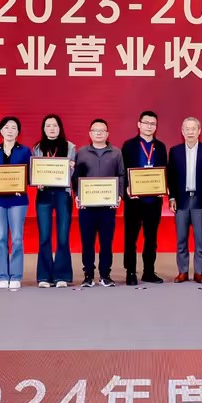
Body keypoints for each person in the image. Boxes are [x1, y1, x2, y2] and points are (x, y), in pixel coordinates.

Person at [74, 118, 125, 287]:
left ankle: (105, 275)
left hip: (107, 206)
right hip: (87, 207)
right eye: (95, 130)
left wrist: (119, 195)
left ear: (107, 133)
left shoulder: (116, 153)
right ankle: (88, 275)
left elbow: (121, 175)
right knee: (87, 242)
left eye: (102, 130)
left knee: (106, 242)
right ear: (90, 133)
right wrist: (77, 195)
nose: (98, 133)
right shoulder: (82, 152)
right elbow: (76, 177)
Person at [167, 116, 202, 283]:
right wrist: (171, 197)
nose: (190, 132)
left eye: (193, 129)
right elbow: (171, 177)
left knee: (200, 239)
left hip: (200, 199)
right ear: (182, 131)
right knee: (181, 239)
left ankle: (198, 272)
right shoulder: (174, 151)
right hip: (181, 200)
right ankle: (182, 271)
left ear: (199, 131)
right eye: (187, 129)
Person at [120, 110, 167, 285]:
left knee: (151, 238)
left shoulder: (160, 146)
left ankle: (149, 271)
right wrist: (126, 189)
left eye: (153, 124)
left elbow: (165, 170)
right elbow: (122, 170)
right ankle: (130, 272)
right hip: (134, 200)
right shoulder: (129, 145)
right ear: (139, 124)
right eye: (146, 123)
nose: (149, 126)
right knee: (130, 237)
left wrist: (164, 186)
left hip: (153, 200)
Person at [0, 116, 32, 290]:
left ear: (18, 132)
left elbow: (30, 175)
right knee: (0, 238)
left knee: (17, 238)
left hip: (18, 200)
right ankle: (2, 275)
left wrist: (26, 183)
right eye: (6, 127)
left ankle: (16, 275)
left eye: (14, 127)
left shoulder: (25, 151)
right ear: (1, 131)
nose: (10, 130)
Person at [33, 114, 76, 288]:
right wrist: (36, 180)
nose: (52, 128)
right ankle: (44, 276)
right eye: (48, 125)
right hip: (44, 194)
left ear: (60, 128)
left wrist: (72, 168)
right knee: (44, 236)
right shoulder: (37, 148)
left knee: (63, 236)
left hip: (62, 194)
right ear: (43, 129)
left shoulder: (70, 147)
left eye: (55, 125)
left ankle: (62, 276)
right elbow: (34, 172)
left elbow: (73, 173)